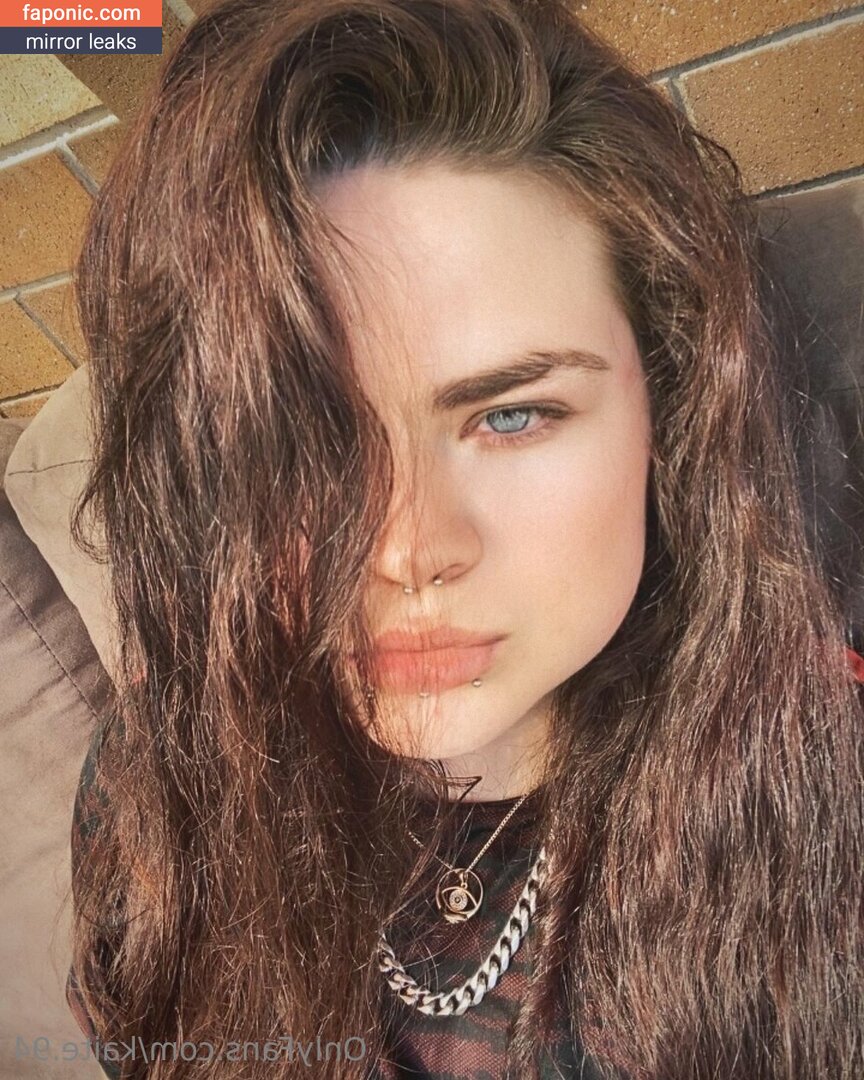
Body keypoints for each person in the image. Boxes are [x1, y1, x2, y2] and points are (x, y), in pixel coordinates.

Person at [62, 0, 864, 1077]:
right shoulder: (161, 788)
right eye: (299, 442)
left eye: (513, 414)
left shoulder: (824, 809)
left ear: (669, 408)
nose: (408, 549)